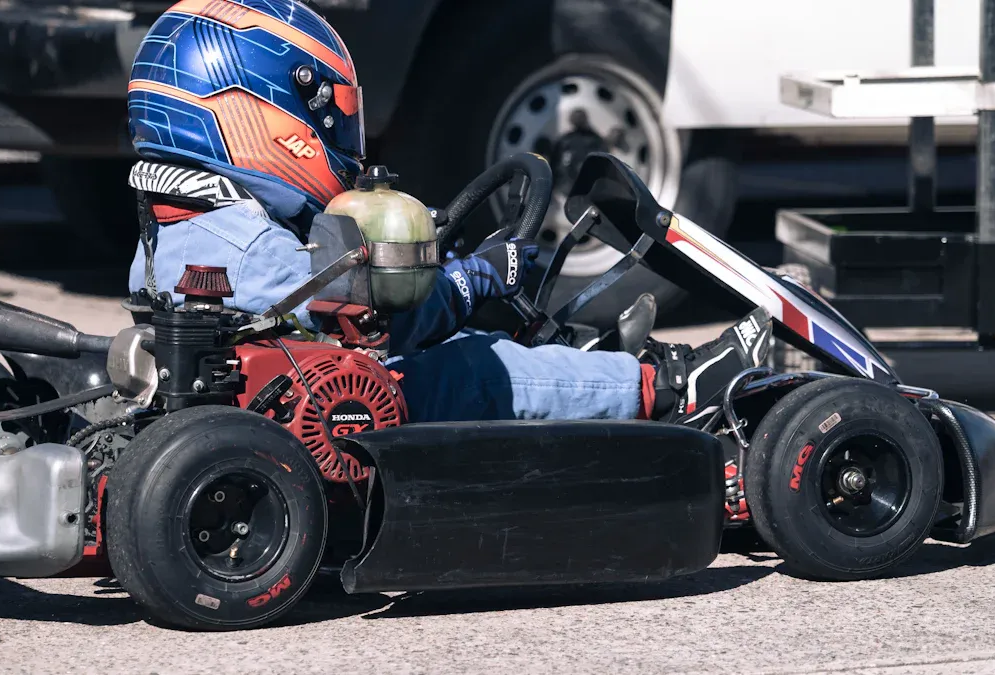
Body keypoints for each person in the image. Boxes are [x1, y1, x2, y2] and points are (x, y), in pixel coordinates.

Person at [125, 0, 772, 424]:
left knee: (467, 345)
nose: (341, 139)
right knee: (477, 368)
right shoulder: (243, 249)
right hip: (316, 418)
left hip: (278, 399)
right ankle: (672, 387)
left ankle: (597, 364)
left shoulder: (188, 225)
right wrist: (474, 278)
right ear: (256, 114)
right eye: (330, 117)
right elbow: (372, 328)